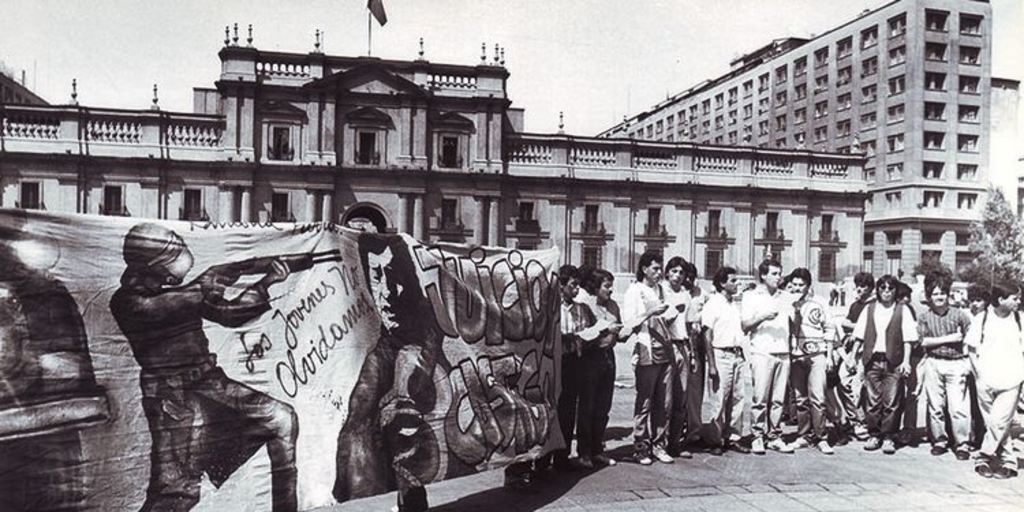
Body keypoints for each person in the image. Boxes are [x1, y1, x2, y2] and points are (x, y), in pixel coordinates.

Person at [109, 223, 300, 512]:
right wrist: (208, 282)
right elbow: (163, 307)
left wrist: (266, 281)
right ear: (151, 263)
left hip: (212, 383)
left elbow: (229, 314)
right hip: (172, 397)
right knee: (178, 491)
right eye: (170, 252)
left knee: (281, 419)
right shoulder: (126, 301)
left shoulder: (180, 293)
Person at [848, 274, 918, 455]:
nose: (886, 292)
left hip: (893, 362)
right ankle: (874, 435)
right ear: (878, 290)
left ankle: (888, 437)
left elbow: (909, 339)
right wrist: (852, 356)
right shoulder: (870, 309)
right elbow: (859, 335)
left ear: (895, 291)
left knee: (892, 401)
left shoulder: (903, 310)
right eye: (883, 288)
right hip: (872, 360)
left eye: (890, 288)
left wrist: (906, 361)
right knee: (872, 401)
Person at [965, 282, 1024, 479]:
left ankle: (984, 454)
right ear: (1000, 299)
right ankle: (1008, 461)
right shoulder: (981, 319)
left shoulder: (1020, 319)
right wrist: (979, 376)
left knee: (999, 421)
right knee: (996, 423)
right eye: (1014, 298)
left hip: (1012, 380)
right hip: (985, 381)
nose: (1019, 301)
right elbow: (972, 351)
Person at [623, 251, 674, 465]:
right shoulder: (634, 291)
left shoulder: (662, 289)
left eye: (660, 268)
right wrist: (650, 312)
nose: (659, 272)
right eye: (655, 268)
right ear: (644, 269)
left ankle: (659, 445)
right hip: (647, 352)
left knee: (664, 403)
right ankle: (641, 447)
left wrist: (671, 314)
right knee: (644, 402)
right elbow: (628, 323)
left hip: (665, 352)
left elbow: (667, 318)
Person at [916, 272, 973, 460]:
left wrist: (967, 361)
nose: (939, 297)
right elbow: (922, 342)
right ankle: (939, 440)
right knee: (935, 405)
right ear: (929, 297)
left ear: (948, 294)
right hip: (934, 362)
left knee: (957, 407)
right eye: (934, 294)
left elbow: (969, 339)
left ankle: (962, 443)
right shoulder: (924, 317)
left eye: (942, 293)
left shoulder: (960, 315)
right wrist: (949, 338)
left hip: (956, 363)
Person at [575, 268, 628, 468]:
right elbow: (583, 336)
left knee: (603, 407)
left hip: (609, 357)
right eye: (607, 286)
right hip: (590, 358)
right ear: (595, 287)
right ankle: (584, 452)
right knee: (587, 407)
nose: (611, 290)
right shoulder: (585, 306)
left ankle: (598, 450)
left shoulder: (613, 306)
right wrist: (605, 330)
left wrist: (627, 330)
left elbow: (620, 333)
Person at [742, 259, 794, 455]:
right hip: (762, 352)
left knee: (779, 399)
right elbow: (745, 326)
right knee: (760, 397)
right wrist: (763, 316)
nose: (778, 277)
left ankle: (774, 436)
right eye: (774, 273)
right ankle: (757, 435)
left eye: (779, 273)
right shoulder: (750, 296)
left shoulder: (786, 296)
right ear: (763, 275)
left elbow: (793, 322)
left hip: (783, 351)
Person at [787, 268, 838, 455]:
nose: (798, 288)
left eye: (802, 285)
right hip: (796, 356)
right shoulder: (788, 303)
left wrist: (830, 355)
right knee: (800, 399)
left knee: (818, 397)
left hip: (817, 355)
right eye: (795, 285)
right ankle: (803, 435)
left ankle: (821, 437)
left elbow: (830, 328)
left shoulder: (820, 302)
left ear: (808, 285)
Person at [701, 266, 751, 455]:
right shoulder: (713, 303)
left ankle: (733, 437)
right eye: (733, 280)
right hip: (721, 355)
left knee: (738, 399)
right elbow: (707, 335)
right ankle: (715, 440)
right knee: (719, 399)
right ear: (722, 283)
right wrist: (712, 364)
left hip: (737, 355)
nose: (737, 283)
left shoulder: (733, 304)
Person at [828, 272, 874, 444]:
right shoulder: (856, 305)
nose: (859, 289)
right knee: (844, 383)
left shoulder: (874, 305)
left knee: (860, 388)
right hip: (852, 349)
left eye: (863, 286)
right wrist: (860, 327)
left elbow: (867, 328)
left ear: (870, 288)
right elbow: (845, 323)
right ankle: (856, 420)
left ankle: (862, 423)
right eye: (858, 286)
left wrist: (857, 328)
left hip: (866, 350)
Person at [662, 256, 695, 459]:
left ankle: (675, 443)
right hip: (667, 346)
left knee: (680, 398)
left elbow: (689, 326)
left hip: (683, 345)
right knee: (665, 399)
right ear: (667, 272)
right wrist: (673, 312)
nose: (678, 275)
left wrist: (691, 354)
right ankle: (660, 443)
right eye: (674, 271)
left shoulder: (686, 294)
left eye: (681, 272)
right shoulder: (661, 291)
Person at [895, 281, 924, 447]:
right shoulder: (889, 311)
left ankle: (908, 428)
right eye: (902, 296)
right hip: (894, 356)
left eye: (908, 296)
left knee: (911, 393)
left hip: (912, 357)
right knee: (895, 394)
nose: (906, 299)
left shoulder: (910, 311)